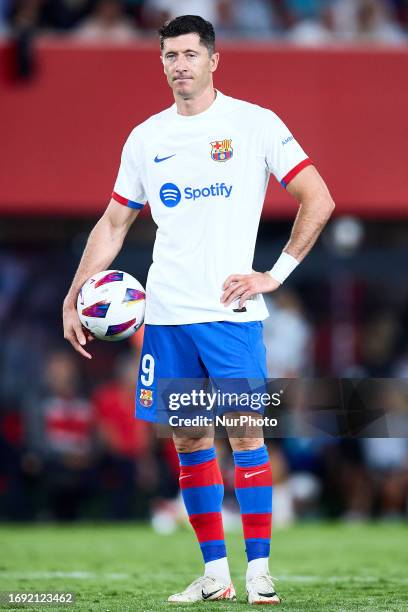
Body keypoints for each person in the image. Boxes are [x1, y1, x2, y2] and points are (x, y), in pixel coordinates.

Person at [63, 14, 335, 604]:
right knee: (188, 442)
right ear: (160, 62)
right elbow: (114, 222)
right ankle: (216, 573)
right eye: (169, 56)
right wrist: (75, 291)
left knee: (245, 434)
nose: (179, 65)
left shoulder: (254, 124)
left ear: (213, 59)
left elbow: (318, 197)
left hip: (229, 315)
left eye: (189, 54)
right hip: (164, 317)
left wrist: (274, 274)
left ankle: (259, 571)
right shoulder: (146, 138)